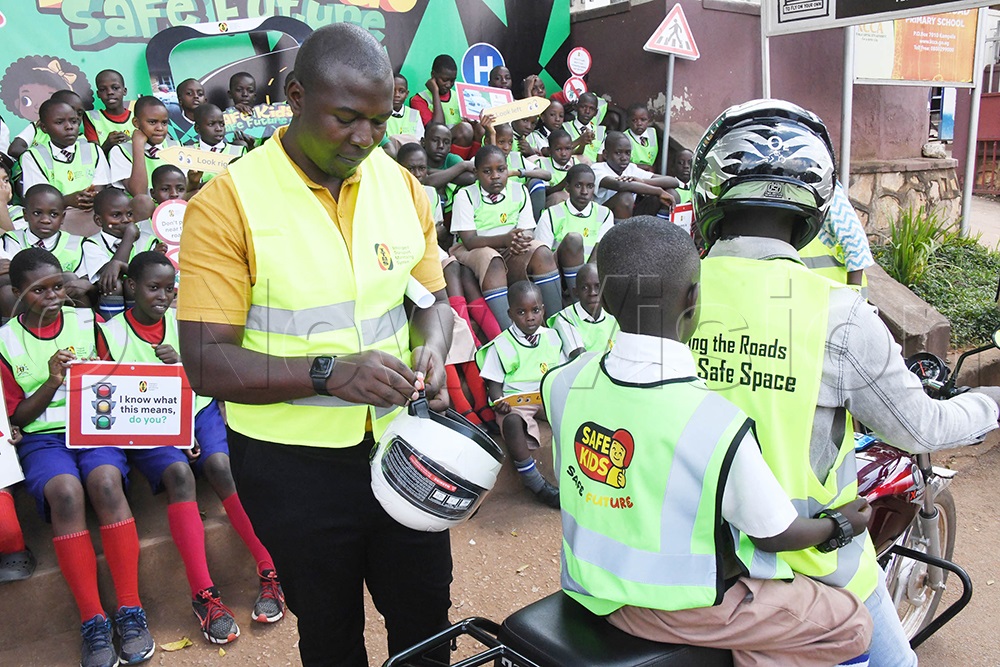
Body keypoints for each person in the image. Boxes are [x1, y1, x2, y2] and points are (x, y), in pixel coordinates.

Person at [176, 23, 455, 667]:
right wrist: (329, 372)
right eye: (347, 119)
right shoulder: (227, 204)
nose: (365, 138)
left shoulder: (401, 185)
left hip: (401, 450)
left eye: (380, 122)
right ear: (295, 96)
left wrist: (433, 347)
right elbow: (206, 361)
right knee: (329, 630)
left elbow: (431, 301)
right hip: (291, 468)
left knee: (425, 615)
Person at [688, 99, 1000, 667]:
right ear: (814, 202)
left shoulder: (663, 293)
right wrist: (991, 404)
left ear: (710, 191)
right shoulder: (840, 315)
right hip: (810, 564)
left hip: (686, 563)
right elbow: (920, 426)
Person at [541, 217, 873, 666]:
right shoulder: (715, 421)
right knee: (851, 623)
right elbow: (776, 535)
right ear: (693, 299)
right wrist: (842, 525)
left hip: (590, 585)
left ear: (607, 297)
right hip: (674, 603)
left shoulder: (563, 382)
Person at [97, 251, 285, 644]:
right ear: (131, 287)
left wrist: (181, 366)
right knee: (180, 475)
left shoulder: (186, 324)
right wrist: (175, 432)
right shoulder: (109, 332)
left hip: (196, 410)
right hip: (147, 424)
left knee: (221, 465)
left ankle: (271, 570)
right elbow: (110, 399)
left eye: (170, 288)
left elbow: (211, 375)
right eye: (153, 288)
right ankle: (204, 595)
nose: (163, 296)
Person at [0, 248, 156, 667]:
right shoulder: (6, 341)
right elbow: (16, 415)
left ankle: (130, 610)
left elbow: (120, 382)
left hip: (95, 430)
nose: (52, 296)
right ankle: (93, 619)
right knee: (66, 492)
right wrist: (52, 381)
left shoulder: (88, 322)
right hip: (42, 440)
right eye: (38, 290)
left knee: (105, 482)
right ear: (16, 293)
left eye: (57, 286)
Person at [451, 145, 562, 325]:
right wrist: (504, 240)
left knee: (541, 250)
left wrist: (520, 239)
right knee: (492, 259)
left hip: (510, 244)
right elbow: (469, 241)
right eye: (487, 171)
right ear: (476, 173)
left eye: (501, 170)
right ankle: (508, 332)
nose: (495, 176)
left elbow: (527, 230)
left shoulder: (519, 191)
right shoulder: (465, 195)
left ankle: (557, 322)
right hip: (475, 248)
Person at [477, 280, 564, 507]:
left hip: (545, 395)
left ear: (543, 310)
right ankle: (534, 482)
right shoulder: (502, 344)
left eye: (535, 310)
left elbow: (561, 373)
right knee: (512, 422)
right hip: (516, 401)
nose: (530, 317)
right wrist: (499, 402)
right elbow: (494, 385)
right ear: (510, 314)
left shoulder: (552, 338)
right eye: (521, 312)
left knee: (573, 408)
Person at [19, 98, 111, 212]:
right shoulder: (33, 156)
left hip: (92, 214)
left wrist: (90, 198)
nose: (69, 127)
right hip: (55, 219)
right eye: (59, 122)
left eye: (73, 121)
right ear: (44, 128)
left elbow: (99, 190)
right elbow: (39, 200)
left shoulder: (94, 150)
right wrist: (66, 201)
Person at [535, 164, 614, 293]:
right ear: (567, 187)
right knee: (573, 240)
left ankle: (582, 293)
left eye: (590, 186)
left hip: (592, 277)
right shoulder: (551, 214)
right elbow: (543, 258)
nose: (584, 192)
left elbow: (599, 252)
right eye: (578, 186)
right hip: (560, 278)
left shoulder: (604, 214)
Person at [799, 182, 873, 293]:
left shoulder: (824, 189)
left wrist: (853, 295)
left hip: (836, 298)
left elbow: (856, 243)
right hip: (801, 297)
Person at [109, 96, 186, 197]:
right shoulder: (121, 151)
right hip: (141, 211)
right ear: (136, 123)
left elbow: (184, 189)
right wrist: (138, 146)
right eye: (152, 122)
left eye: (164, 123)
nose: (160, 128)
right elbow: (139, 193)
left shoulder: (175, 147)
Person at [592, 132, 678, 219]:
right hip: (603, 217)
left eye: (628, 153)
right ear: (605, 154)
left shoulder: (631, 168)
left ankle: (660, 229)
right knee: (625, 198)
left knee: (671, 193)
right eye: (618, 153)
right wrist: (659, 192)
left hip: (631, 215)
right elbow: (620, 185)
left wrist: (643, 181)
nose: (624, 158)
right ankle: (623, 232)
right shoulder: (597, 169)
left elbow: (673, 181)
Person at [547, 262, 618, 359]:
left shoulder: (613, 313)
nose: (592, 293)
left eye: (598, 286)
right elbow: (580, 358)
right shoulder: (565, 318)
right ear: (575, 292)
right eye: (585, 288)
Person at [192, 104, 247, 183]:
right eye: (211, 124)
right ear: (197, 128)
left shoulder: (239, 152)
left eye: (222, 124)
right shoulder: (189, 152)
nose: (218, 129)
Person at [83, 69, 132, 154]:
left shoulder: (138, 116)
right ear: (98, 94)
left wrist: (131, 143)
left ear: (124, 91)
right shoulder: (91, 118)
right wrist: (107, 145)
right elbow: (94, 157)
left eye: (115, 88)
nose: (109, 92)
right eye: (103, 89)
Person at [411, 54, 461, 127]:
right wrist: (435, 92)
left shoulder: (459, 97)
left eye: (452, 81)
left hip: (460, 138)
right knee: (465, 129)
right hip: (437, 137)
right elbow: (437, 128)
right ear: (433, 75)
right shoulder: (419, 99)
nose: (449, 85)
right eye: (444, 80)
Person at [564, 92, 606, 163]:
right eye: (583, 107)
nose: (587, 111)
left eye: (591, 109)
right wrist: (580, 141)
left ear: (596, 112)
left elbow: (600, 159)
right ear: (576, 107)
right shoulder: (564, 127)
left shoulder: (601, 131)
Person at [386, 73, 424, 140]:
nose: (397, 95)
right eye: (392, 90)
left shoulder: (414, 114)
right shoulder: (380, 113)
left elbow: (419, 139)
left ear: (407, 94)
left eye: (401, 91)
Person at [167, 78, 205, 145]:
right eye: (189, 93)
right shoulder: (169, 126)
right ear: (180, 100)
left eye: (200, 94)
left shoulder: (216, 123)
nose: (196, 96)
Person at [624, 103, 658, 172]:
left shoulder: (652, 133)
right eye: (634, 120)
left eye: (643, 120)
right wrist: (646, 167)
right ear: (627, 122)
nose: (639, 123)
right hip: (632, 172)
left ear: (649, 120)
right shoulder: (624, 138)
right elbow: (623, 163)